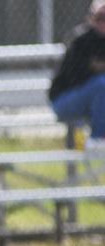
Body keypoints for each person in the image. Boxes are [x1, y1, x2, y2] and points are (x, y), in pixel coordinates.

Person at [49, 0, 105, 148]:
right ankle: (97, 139)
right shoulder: (80, 40)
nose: (103, 23)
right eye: (99, 17)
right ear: (90, 18)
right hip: (65, 100)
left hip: (96, 104)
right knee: (101, 84)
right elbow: (75, 79)